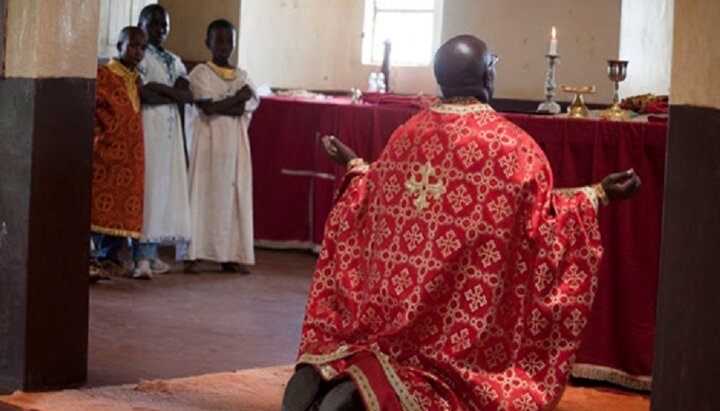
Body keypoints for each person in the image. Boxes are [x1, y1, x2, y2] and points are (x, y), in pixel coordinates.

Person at [281, 35, 642, 411]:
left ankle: (344, 376)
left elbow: (373, 192)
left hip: (390, 318)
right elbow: (542, 222)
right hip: (453, 338)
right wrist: (598, 194)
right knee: (461, 377)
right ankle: (376, 390)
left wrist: (356, 166)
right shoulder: (513, 148)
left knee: (375, 343)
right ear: (488, 75)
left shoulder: (406, 135)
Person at [183, 19, 259, 275]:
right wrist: (236, 98)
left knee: (231, 198)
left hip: (234, 147)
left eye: (229, 41)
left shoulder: (242, 75)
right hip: (206, 144)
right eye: (219, 40)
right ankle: (193, 253)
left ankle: (229, 254)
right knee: (201, 195)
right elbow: (207, 107)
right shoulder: (200, 74)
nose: (224, 46)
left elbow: (246, 106)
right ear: (208, 43)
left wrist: (230, 103)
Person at [134, 4, 193, 279]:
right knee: (149, 186)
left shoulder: (174, 59)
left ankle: (153, 252)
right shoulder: (140, 57)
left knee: (163, 188)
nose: (158, 30)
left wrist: (164, 92)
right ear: (141, 24)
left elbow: (185, 93)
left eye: (163, 26)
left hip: (169, 133)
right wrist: (170, 95)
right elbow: (143, 94)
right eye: (153, 24)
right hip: (149, 128)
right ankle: (140, 256)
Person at [90, 26, 148, 281]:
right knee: (97, 206)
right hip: (105, 153)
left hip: (129, 157)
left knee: (124, 206)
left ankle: (109, 257)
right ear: (119, 46)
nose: (138, 52)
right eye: (133, 46)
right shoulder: (103, 74)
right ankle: (90, 258)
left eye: (143, 48)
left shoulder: (135, 78)